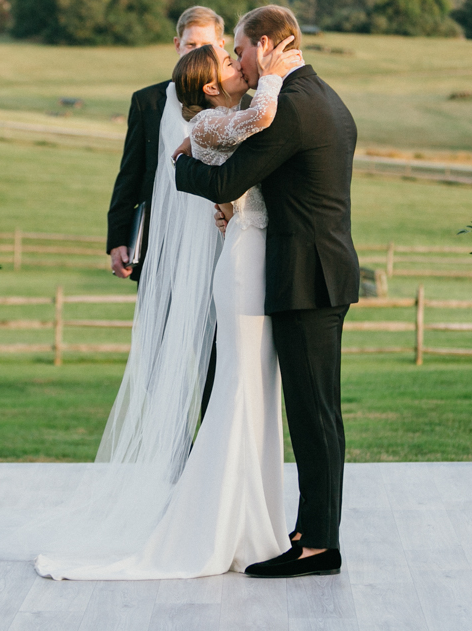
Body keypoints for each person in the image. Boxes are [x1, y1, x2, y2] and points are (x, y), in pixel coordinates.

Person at [35, 36, 305, 580]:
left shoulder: (220, 122)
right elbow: (266, 113)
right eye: (231, 62)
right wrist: (275, 69)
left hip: (248, 253)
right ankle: (219, 519)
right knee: (237, 390)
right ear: (209, 87)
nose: (238, 63)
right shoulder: (207, 124)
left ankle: (247, 515)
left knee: (250, 390)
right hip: (243, 268)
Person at [174, 5, 359, 579]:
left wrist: (181, 168)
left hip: (305, 277)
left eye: (241, 49)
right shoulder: (323, 93)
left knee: (313, 415)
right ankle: (311, 529)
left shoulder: (291, 107)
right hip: (320, 270)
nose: (240, 61)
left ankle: (318, 545)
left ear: (267, 45)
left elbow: (228, 181)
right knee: (317, 411)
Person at [106, 5, 226, 416]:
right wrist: (118, 238)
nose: (195, 51)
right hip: (161, 247)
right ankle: (166, 454)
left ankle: (208, 452)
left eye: (205, 45)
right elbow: (130, 173)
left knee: (214, 354)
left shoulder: (234, 101)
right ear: (177, 45)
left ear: (221, 46)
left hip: (217, 246)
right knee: (157, 356)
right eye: (189, 44)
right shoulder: (148, 101)